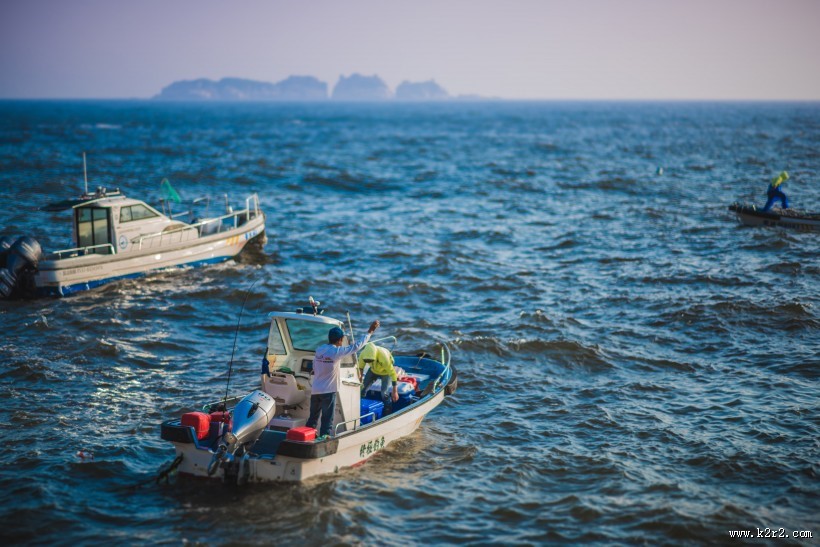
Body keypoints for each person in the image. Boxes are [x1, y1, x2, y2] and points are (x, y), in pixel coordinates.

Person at [306, 320, 379, 439]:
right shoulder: (336, 352)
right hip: (328, 392)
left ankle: (306, 438)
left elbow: (315, 366)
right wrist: (370, 332)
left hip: (315, 390)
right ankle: (323, 441)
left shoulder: (319, 349)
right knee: (327, 420)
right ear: (340, 340)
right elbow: (356, 346)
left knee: (312, 419)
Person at [358, 343, 399, 409]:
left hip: (386, 372)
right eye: (367, 361)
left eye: (371, 360)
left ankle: (388, 408)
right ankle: (360, 407)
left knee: (384, 393)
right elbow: (360, 369)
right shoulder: (363, 354)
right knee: (362, 389)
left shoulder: (384, 357)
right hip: (373, 370)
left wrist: (395, 391)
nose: (369, 362)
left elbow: (393, 373)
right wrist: (360, 381)